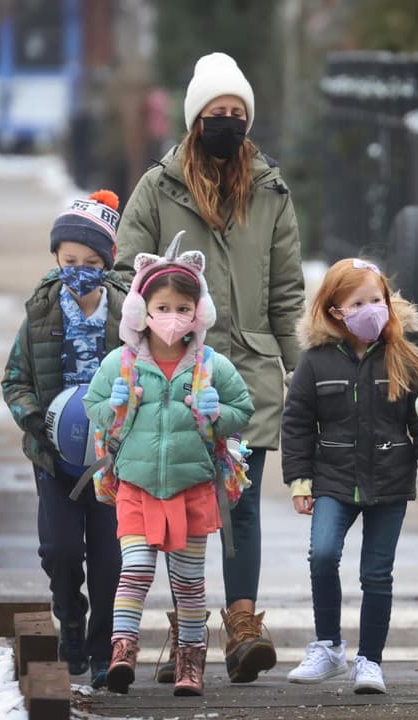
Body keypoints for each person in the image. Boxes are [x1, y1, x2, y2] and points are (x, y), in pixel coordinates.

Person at [115, 51, 304, 683]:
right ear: (195, 119)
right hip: (172, 371)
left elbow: (286, 294)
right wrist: (153, 320)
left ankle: (244, 623)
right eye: (216, 113)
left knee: (239, 502)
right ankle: (186, 630)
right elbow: (124, 274)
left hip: (246, 369)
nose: (228, 123)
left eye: (237, 113)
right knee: (177, 501)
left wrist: (303, 371)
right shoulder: (158, 187)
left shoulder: (272, 192)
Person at [85, 242, 254, 696]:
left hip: (192, 486)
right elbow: (93, 405)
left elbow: (244, 409)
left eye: (183, 307)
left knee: (188, 581)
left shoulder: (211, 365)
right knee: (135, 569)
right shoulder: (120, 363)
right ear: (142, 309)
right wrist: (110, 406)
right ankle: (123, 650)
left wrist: (220, 413)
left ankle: (191, 661)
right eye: (162, 306)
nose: (172, 316)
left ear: (198, 312)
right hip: (137, 485)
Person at [280, 259, 418, 694]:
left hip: (391, 481)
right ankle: (328, 647)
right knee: (322, 555)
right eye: (359, 302)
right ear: (336, 310)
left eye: (377, 300)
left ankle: (370, 660)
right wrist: (299, 480)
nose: (371, 309)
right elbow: (297, 424)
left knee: (377, 573)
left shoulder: (405, 358)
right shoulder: (314, 363)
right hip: (333, 479)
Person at [1, 190, 129, 688]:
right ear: (56, 257)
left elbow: (144, 372)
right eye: (69, 259)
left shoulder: (126, 314)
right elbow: (14, 379)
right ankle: (68, 616)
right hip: (54, 457)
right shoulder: (40, 313)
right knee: (58, 548)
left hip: (111, 460)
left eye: (91, 261)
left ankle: (100, 648)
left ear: (107, 263)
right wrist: (37, 423)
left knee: (109, 560)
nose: (79, 269)